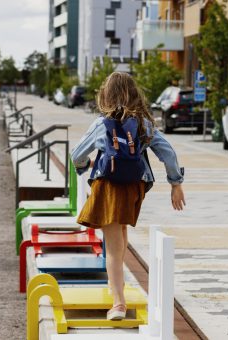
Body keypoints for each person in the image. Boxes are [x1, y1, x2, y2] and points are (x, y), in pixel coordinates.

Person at [70, 72, 185, 320]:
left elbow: (76, 155)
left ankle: (118, 304)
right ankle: (116, 286)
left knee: (112, 246)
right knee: (120, 234)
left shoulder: (102, 123)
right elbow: (168, 152)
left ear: (106, 95)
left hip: (108, 186)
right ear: (134, 94)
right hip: (134, 187)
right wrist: (176, 184)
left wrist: (84, 166)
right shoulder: (143, 123)